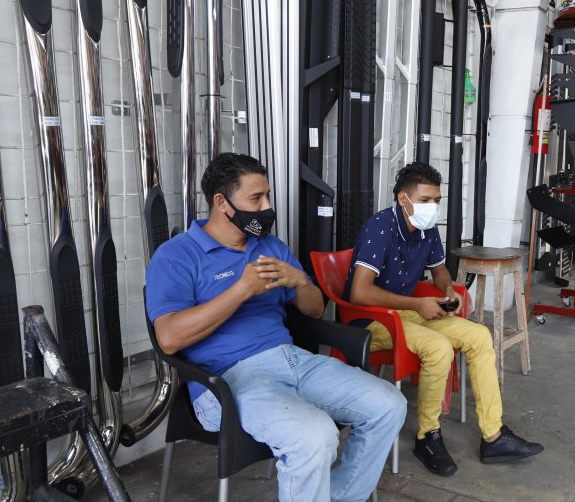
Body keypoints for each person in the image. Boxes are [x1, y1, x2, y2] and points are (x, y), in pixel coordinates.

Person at [147, 153, 406, 502]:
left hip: (293, 360)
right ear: (222, 203)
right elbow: (169, 337)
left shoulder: (270, 247)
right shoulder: (176, 255)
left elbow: (314, 310)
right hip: (226, 379)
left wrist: (300, 280)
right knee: (315, 436)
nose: (266, 207)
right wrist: (241, 290)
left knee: (389, 404)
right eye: (256, 199)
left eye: (267, 196)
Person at [345, 162, 543, 476]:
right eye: (425, 200)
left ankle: (493, 436)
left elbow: (438, 271)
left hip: (408, 312)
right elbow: (359, 293)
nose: (433, 207)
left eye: (437, 200)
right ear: (403, 200)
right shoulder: (380, 227)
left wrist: (448, 289)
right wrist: (417, 303)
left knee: (479, 336)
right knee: (437, 347)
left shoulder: (426, 229)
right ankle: (428, 436)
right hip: (371, 320)